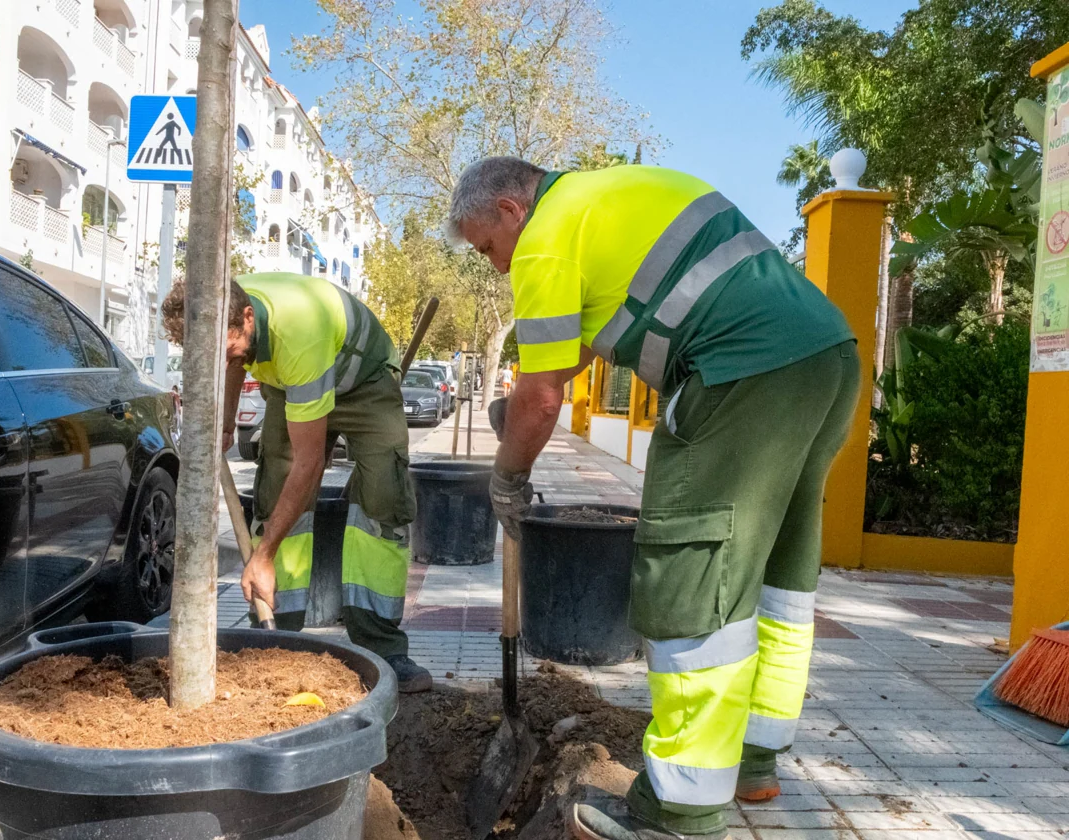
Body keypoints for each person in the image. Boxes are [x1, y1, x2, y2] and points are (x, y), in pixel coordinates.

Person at [447, 157, 859, 840]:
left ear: (511, 211)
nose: (494, 266)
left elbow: (544, 396)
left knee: (690, 574)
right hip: (824, 357)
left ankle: (679, 811)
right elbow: (564, 356)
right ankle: (752, 758)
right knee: (777, 568)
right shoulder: (600, 196)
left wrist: (508, 474)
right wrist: (518, 403)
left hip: (740, 373)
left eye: (488, 246)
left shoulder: (546, 236)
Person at [161, 273, 433, 693]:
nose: (224, 357)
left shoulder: (298, 333)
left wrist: (264, 555)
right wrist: (227, 418)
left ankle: (383, 648)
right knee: (275, 496)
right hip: (291, 384)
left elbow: (309, 465)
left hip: (362, 381)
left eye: (227, 345)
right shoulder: (220, 303)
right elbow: (234, 359)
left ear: (248, 318)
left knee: (384, 499)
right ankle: (274, 642)